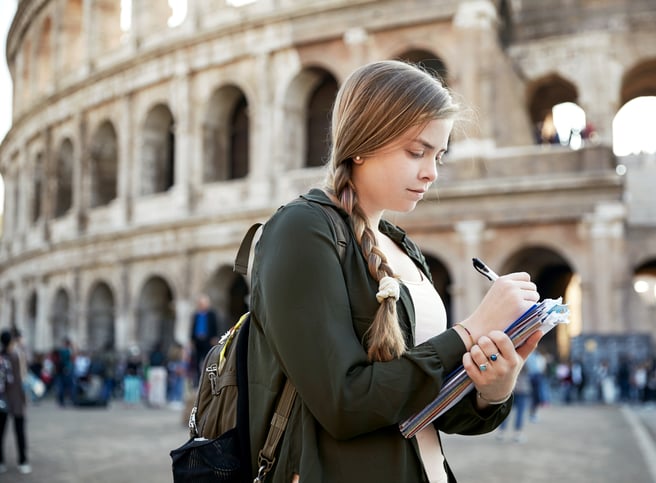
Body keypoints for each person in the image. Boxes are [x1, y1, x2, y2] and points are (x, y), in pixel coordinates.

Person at [247, 60, 543, 483]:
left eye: (438, 155)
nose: (432, 172)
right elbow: (344, 404)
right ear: (364, 141)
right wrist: (470, 331)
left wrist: (491, 390)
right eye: (416, 151)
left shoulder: (401, 245)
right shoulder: (302, 228)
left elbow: (423, 405)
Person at [0, 329, 31, 474]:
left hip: (2, 399)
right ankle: (23, 461)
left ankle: (1, 461)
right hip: (17, 398)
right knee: (19, 432)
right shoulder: (18, 356)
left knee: (0, 432)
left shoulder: (2, 357)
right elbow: (24, 377)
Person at [495, 362, 533, 443]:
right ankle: (517, 433)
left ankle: (501, 432)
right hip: (522, 390)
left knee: (506, 412)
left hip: (510, 390)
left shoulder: (509, 361)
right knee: (520, 413)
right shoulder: (526, 363)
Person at [189, 294, 218, 382]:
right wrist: (191, 339)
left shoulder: (211, 314)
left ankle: (207, 379)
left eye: (203, 303)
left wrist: (214, 337)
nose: (201, 305)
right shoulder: (196, 314)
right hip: (197, 340)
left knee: (208, 359)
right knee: (197, 361)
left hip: (208, 340)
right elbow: (193, 327)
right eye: (200, 303)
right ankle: (198, 380)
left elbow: (215, 326)